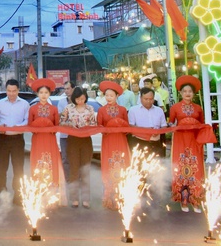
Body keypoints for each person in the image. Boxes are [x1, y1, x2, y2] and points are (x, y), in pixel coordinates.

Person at [170, 75, 216, 213]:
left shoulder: (198, 108)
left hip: (194, 141)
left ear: (194, 93)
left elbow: (201, 124)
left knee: (196, 169)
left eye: (190, 91)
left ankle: (196, 200)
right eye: (185, 91)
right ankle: (183, 200)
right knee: (181, 167)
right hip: (180, 140)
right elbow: (171, 123)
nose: (187, 94)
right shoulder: (175, 108)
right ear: (180, 93)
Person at [0, 79, 28, 204]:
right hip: (3, 139)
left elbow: (27, 120)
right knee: (2, 168)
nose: (11, 93)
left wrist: (19, 126)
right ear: (5, 90)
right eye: (9, 91)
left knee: (18, 168)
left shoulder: (24, 104)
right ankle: (2, 194)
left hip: (17, 139)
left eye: (14, 91)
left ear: (18, 90)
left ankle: (18, 195)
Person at [60, 86, 97, 208]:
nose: (80, 101)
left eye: (82, 98)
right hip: (72, 140)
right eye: (78, 99)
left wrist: (87, 128)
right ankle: (74, 198)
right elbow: (61, 123)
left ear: (85, 98)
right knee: (74, 169)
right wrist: (70, 125)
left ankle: (86, 198)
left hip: (86, 140)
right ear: (73, 98)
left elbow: (94, 124)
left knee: (85, 169)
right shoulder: (68, 108)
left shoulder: (90, 109)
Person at [97, 80, 130, 210]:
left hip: (120, 140)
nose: (109, 98)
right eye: (107, 95)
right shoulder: (101, 110)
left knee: (122, 164)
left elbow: (127, 128)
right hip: (108, 141)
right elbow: (99, 127)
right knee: (108, 165)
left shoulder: (123, 110)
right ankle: (109, 196)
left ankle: (123, 196)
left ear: (117, 96)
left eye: (111, 95)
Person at [28, 78, 62, 187]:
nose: (43, 95)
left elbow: (57, 127)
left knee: (51, 163)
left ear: (49, 94)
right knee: (38, 162)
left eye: (46, 93)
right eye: (41, 92)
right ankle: (38, 189)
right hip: (37, 139)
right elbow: (30, 126)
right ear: (37, 93)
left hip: (50, 140)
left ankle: (52, 190)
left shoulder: (54, 109)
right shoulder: (32, 109)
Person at [127, 87, 167, 156]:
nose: (148, 101)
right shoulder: (133, 110)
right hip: (139, 142)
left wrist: (157, 132)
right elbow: (130, 126)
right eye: (146, 99)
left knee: (157, 164)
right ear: (140, 98)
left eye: (151, 99)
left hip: (155, 142)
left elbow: (164, 126)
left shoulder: (159, 110)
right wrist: (146, 131)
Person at [56, 81, 74, 178]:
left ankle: (76, 177)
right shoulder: (61, 102)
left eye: (68, 88)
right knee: (65, 158)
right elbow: (60, 116)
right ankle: (67, 178)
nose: (66, 91)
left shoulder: (79, 100)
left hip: (76, 135)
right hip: (64, 135)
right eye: (65, 89)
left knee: (75, 157)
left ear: (73, 89)